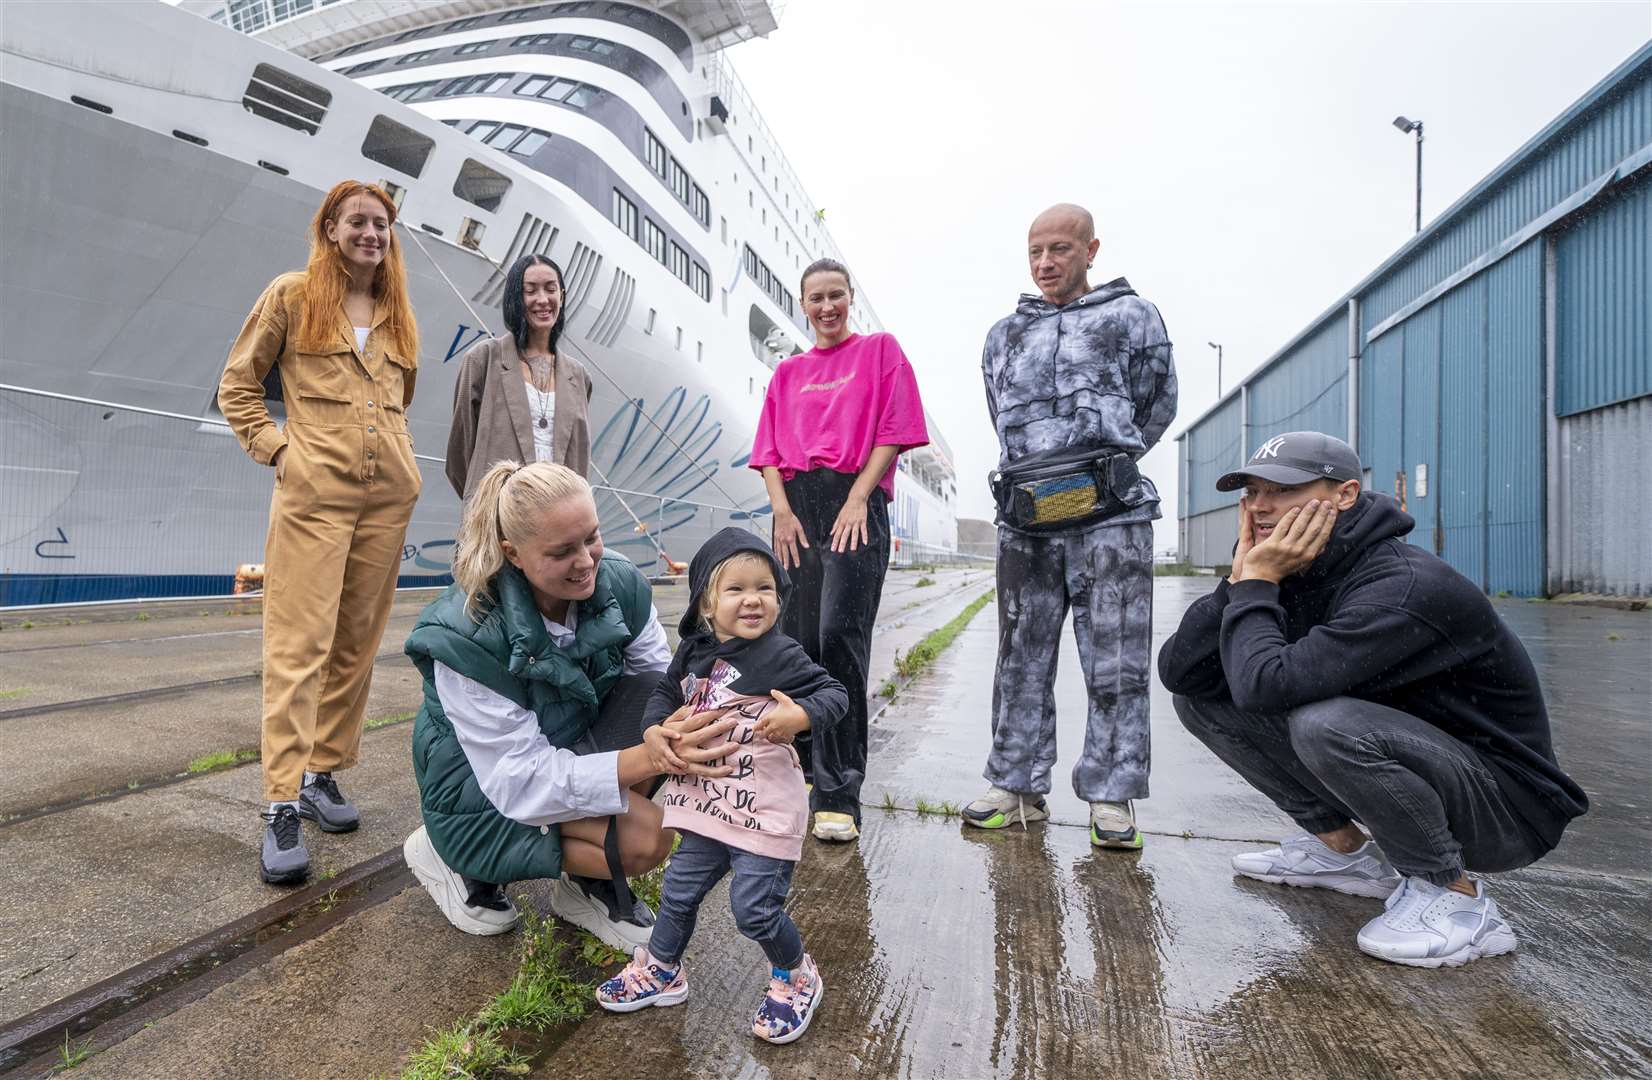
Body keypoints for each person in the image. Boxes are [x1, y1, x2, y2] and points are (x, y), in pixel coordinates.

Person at [1158, 431, 1588, 968]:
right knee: (1203, 702)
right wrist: (1239, 580)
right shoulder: (1296, 566)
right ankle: (1344, 853)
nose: (1261, 506)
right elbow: (1183, 674)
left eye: (1283, 490)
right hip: (1424, 770)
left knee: (1326, 723)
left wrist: (1258, 583)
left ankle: (1455, 900)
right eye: (1251, 492)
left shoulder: (1403, 585)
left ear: (1345, 494)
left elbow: (1265, 685)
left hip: (1506, 808)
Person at [400, 461, 740, 946]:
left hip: (564, 737)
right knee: (646, 839)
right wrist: (645, 758)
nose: (586, 561)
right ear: (512, 553)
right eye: (562, 551)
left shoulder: (618, 583)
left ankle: (584, 884)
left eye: (592, 538)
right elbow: (521, 781)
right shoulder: (466, 634)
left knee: (671, 704)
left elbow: (662, 684)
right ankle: (446, 851)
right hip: (480, 785)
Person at [218, 180, 423, 885]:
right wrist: (280, 451)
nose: (372, 233)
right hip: (314, 498)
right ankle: (279, 800)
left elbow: (402, 398)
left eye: (382, 224)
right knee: (297, 644)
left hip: (386, 501)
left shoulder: (397, 312)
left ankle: (321, 773)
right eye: (358, 221)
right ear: (331, 227)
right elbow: (237, 385)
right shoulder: (292, 295)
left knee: (356, 646)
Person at [963, 203, 1177, 850]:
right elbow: (1001, 410)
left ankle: (1112, 799)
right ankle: (1016, 785)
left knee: (1115, 659)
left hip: (1110, 514)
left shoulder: (1133, 317)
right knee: (1020, 657)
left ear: (1091, 249)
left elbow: (1155, 402)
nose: (1047, 263)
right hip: (1027, 517)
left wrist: (1098, 461)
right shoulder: (1005, 334)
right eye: (1036, 252)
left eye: (1060, 249)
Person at [596, 528, 847, 1044]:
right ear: (707, 604)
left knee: (753, 909)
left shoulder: (783, 654)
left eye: (766, 588)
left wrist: (799, 715)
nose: (753, 599)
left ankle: (796, 974)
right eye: (736, 589)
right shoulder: (693, 651)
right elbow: (665, 692)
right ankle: (663, 968)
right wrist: (653, 731)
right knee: (679, 891)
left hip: (760, 807)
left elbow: (834, 693)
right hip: (709, 806)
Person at [749, 259, 929, 843]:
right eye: (816, 299)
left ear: (850, 298)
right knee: (797, 642)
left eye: (836, 296)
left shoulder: (880, 352)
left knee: (840, 641)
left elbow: (895, 431)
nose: (827, 307)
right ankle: (799, 766)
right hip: (796, 507)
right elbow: (769, 452)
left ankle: (839, 790)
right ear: (802, 304)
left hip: (855, 500)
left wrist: (858, 498)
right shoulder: (788, 372)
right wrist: (780, 510)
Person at [446, 253, 592, 497]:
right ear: (515, 298)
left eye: (550, 289)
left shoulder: (578, 376)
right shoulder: (483, 360)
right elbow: (458, 456)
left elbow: (580, 456)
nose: (543, 299)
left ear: (562, 296)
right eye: (530, 291)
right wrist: (486, 503)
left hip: (559, 518)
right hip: (499, 516)